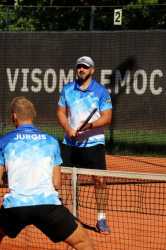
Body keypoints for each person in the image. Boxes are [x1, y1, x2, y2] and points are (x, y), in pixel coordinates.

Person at [0, 96, 94, 250]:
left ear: (14, 116)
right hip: (48, 207)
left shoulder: (4, 140)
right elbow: (56, 184)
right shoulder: (51, 141)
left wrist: (9, 179)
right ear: (34, 114)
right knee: (83, 243)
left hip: (16, 207)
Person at [57, 56, 113, 235]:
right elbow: (60, 112)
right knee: (65, 179)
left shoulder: (101, 91)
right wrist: (68, 127)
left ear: (92, 70)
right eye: (79, 67)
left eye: (85, 67)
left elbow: (107, 117)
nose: (81, 69)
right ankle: (62, 218)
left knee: (100, 181)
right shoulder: (67, 89)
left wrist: (89, 126)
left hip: (94, 144)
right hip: (70, 143)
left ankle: (101, 219)